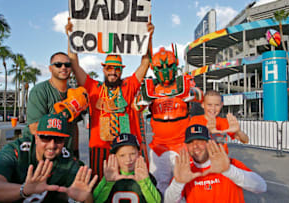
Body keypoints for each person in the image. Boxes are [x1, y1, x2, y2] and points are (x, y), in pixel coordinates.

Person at [65, 17, 155, 180]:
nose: (113, 72)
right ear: (104, 70)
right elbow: (74, 64)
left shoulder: (129, 86)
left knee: (126, 186)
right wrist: (70, 37)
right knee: (100, 189)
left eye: (117, 69)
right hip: (100, 149)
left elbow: (146, 62)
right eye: (109, 68)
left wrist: (148, 37)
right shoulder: (93, 87)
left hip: (125, 150)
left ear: (121, 71)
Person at [0, 113, 97, 202]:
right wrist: (24, 190)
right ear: (36, 137)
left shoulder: (68, 161)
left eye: (58, 139)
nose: (52, 145)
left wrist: (83, 198)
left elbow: (85, 196)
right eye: (46, 138)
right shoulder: (16, 151)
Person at [134, 45, 203, 196]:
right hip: (159, 147)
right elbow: (135, 107)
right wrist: (142, 100)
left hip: (183, 146)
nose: (165, 71)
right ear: (154, 69)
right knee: (159, 187)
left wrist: (191, 92)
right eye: (161, 67)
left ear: (175, 65)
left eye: (168, 66)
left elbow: (201, 95)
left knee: (186, 186)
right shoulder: (150, 89)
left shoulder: (184, 83)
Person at [164, 124, 266, 203]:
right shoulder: (185, 170)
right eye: (191, 142)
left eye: (200, 141)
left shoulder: (228, 163)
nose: (195, 146)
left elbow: (261, 187)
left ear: (209, 142)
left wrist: (229, 171)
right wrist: (178, 183)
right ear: (186, 146)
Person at [23, 52, 80, 158]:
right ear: (50, 68)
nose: (63, 67)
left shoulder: (74, 93)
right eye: (58, 64)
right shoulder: (39, 91)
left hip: (64, 154)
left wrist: (75, 152)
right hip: (41, 153)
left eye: (67, 65)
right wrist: (65, 113)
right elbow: (34, 128)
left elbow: (74, 127)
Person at [93, 133, 161, 203]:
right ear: (114, 157)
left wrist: (145, 182)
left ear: (138, 153)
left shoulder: (146, 176)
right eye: (122, 155)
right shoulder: (110, 177)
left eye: (132, 154)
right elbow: (95, 201)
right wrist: (107, 183)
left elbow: (156, 201)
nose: (128, 159)